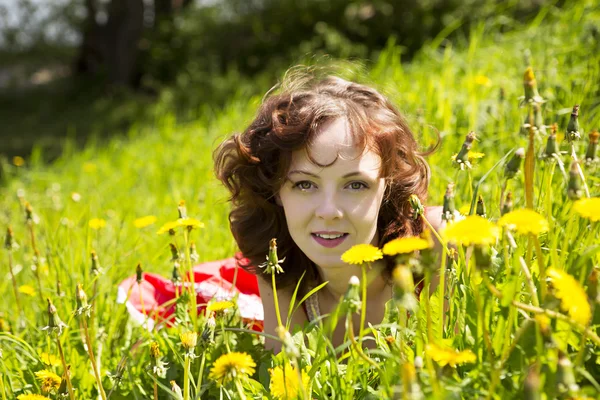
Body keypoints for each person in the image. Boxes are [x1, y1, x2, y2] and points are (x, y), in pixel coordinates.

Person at [118, 68, 443, 351]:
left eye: (355, 184)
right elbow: (288, 375)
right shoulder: (281, 266)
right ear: (276, 193)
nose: (328, 211)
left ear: (388, 184)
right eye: (305, 184)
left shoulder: (437, 247)